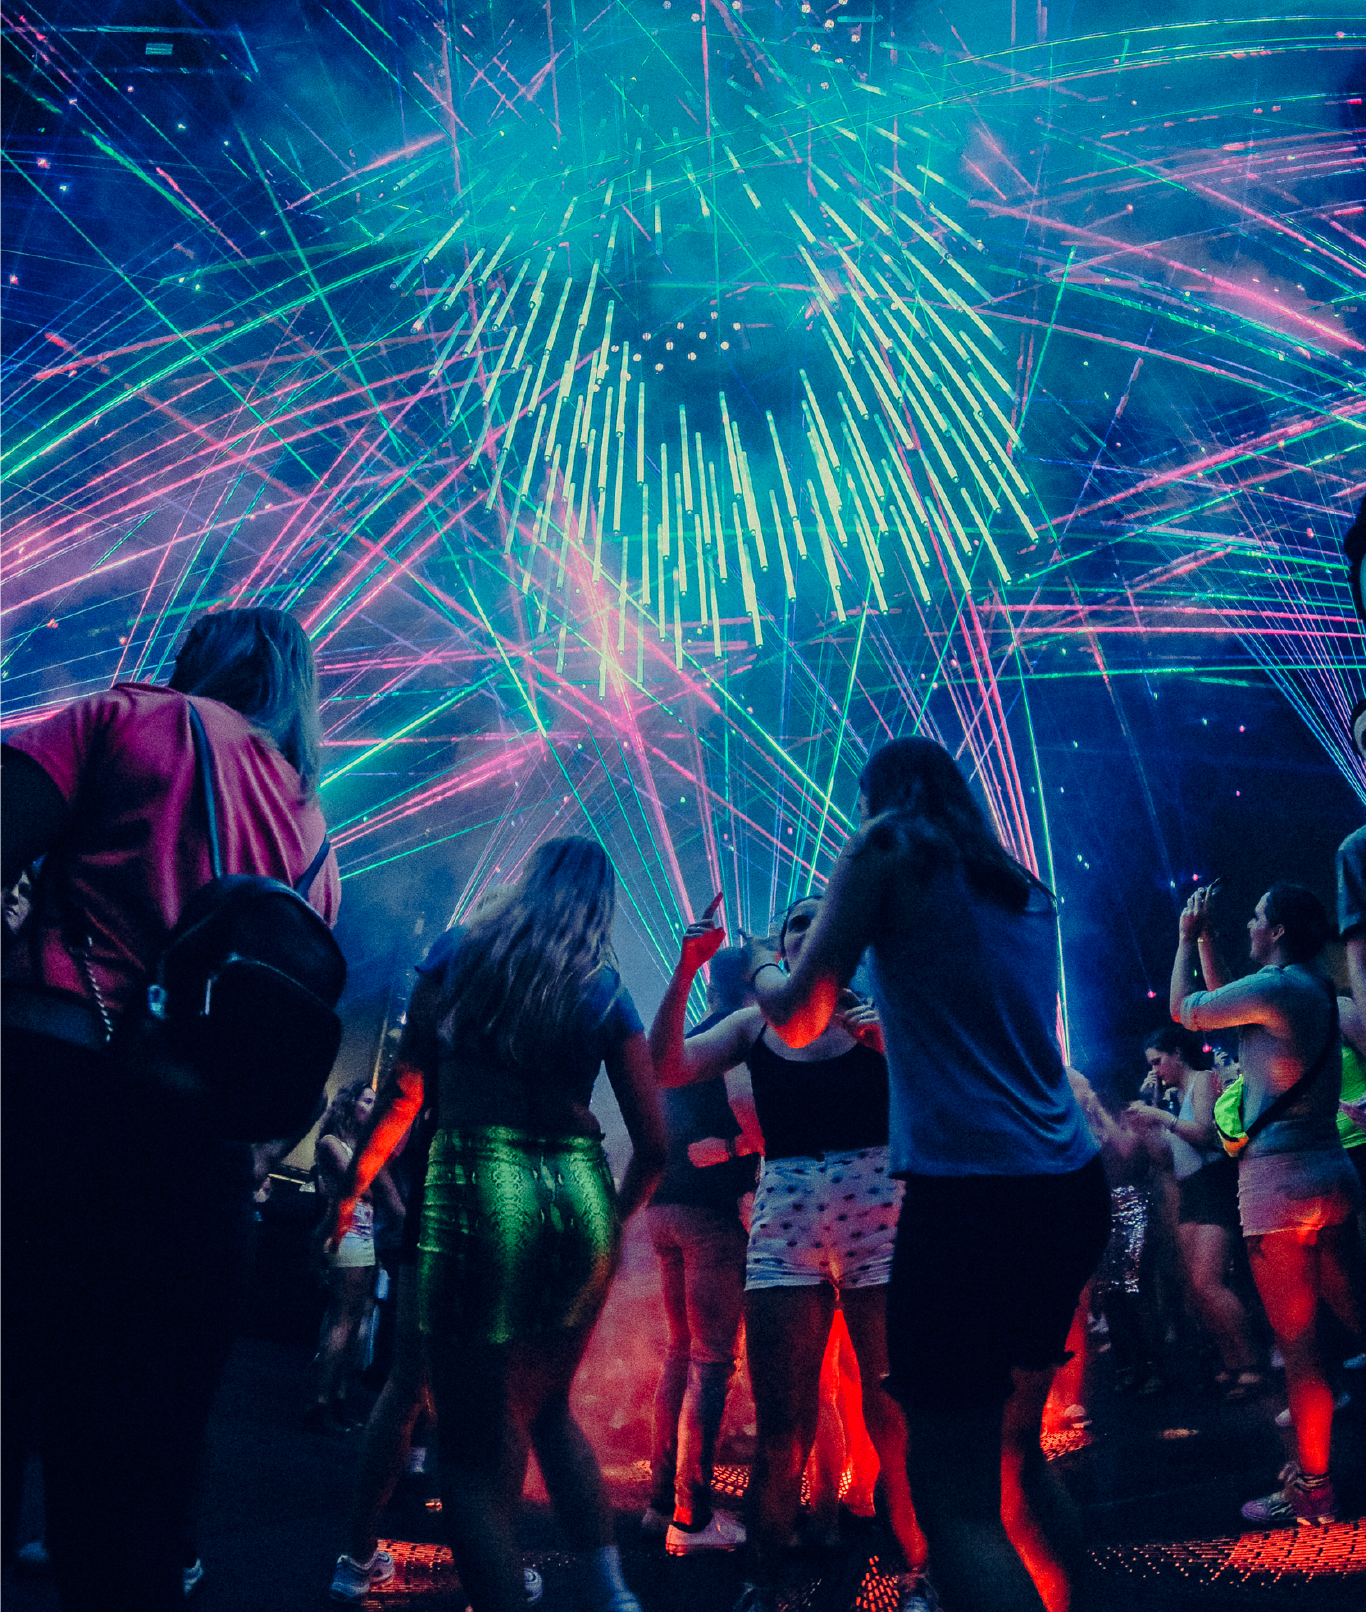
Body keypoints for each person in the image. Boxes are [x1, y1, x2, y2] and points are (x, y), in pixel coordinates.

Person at [0, 607, 340, 1610]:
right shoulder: (314, 834)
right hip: (199, 1162)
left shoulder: (123, 719)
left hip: (48, 1092)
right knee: (135, 1495)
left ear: (197, 657)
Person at [747, 736, 1109, 1612]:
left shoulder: (887, 846)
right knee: (1018, 1457)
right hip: (1067, 1183)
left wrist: (755, 961)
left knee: (954, 1503)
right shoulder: (1020, 885)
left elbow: (796, 1018)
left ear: (881, 798)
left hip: (971, 1194)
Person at [333, 838, 666, 1611]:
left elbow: (405, 1091)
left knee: (468, 1452)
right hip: (581, 1192)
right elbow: (653, 1146)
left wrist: (348, 1191)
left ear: (526, 881)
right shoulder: (604, 988)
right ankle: (615, 1596)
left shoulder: (459, 952)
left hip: (479, 1182)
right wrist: (611, 1224)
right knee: (548, 1407)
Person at [651, 895, 931, 1611]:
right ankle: (762, 1584)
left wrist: (889, 1045)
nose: (807, 929)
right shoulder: (755, 1024)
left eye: (820, 917)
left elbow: (946, 1099)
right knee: (784, 1427)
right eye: (794, 923)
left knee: (891, 1417)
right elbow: (667, 1065)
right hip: (785, 1223)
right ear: (780, 952)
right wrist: (686, 969)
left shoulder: (884, 1015)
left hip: (877, 1218)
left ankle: (916, 1577)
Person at [1171, 880, 1363, 1526]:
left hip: (1278, 1188)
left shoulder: (1276, 989)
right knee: (1358, 1317)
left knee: (1301, 1347)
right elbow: (1231, 1003)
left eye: (1257, 917)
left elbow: (1187, 1010)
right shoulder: (1314, 990)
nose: (1249, 925)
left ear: (1277, 930)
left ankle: (1315, 1489)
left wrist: (1184, 939)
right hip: (1331, 1173)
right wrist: (1208, 939)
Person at [642, 941, 755, 1555]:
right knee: (711, 1363)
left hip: (664, 1206)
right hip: (711, 1215)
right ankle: (691, 1517)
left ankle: (660, 1502)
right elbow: (750, 1118)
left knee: (679, 1355)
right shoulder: (739, 1039)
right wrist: (738, 1150)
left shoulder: (684, 1040)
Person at [1126, 1027, 1262, 1396]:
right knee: (1195, 1289)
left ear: (1177, 1053)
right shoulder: (1172, 1096)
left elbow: (1204, 1134)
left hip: (1213, 1185)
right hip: (1189, 1189)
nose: (1156, 1070)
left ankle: (1251, 1363)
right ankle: (1231, 1362)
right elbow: (1164, 1159)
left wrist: (1160, 1115)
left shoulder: (1202, 1081)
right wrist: (1148, 1126)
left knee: (1208, 1282)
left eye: (1158, 1061)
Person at [309, 1080, 404, 1434]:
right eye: (367, 1101)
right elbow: (356, 1183)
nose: (373, 1108)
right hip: (343, 1233)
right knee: (343, 1320)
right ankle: (318, 1402)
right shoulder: (330, 1143)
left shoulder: (363, 1147)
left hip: (363, 1234)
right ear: (350, 1105)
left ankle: (337, 1396)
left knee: (358, 1321)